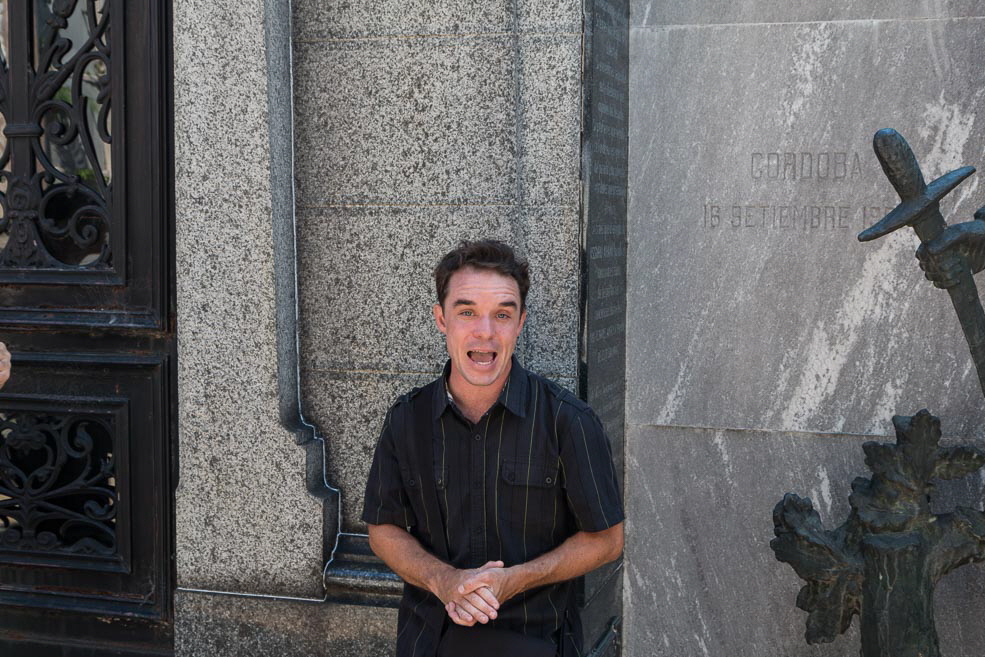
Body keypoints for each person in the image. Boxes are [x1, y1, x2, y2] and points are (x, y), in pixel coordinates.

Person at [362, 240, 624, 657]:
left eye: (502, 314)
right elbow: (383, 528)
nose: (485, 332)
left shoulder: (569, 422)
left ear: (520, 323)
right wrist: (443, 580)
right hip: (427, 642)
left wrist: (515, 580)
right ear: (441, 319)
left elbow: (608, 540)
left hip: (534, 641)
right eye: (467, 312)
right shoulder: (406, 420)